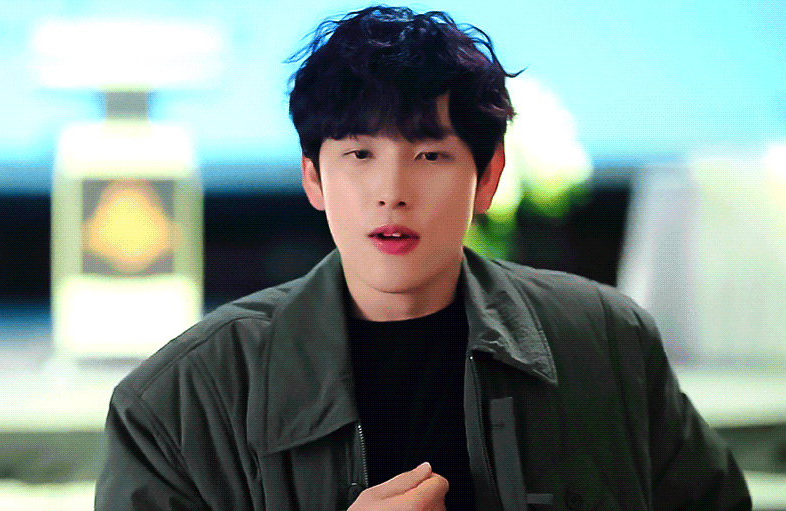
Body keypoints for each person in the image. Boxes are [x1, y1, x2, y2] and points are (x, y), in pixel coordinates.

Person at [95, 6, 751, 510]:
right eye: (360, 154)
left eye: (430, 155)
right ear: (313, 178)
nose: (392, 192)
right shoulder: (181, 400)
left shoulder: (607, 342)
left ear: (488, 177)